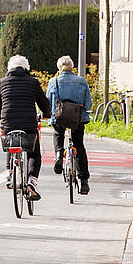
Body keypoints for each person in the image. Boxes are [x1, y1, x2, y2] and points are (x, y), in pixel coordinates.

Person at [0, 54, 51, 201]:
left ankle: (9, 174)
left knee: (10, 143)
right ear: (26, 68)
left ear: (9, 68)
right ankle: (32, 180)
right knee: (34, 153)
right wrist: (46, 114)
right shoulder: (33, 82)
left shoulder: (2, 82)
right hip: (28, 124)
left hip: (8, 124)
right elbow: (44, 103)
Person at [46, 55, 92, 194]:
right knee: (79, 146)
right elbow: (88, 104)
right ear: (72, 67)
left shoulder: (54, 81)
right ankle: (84, 181)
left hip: (59, 117)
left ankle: (59, 155)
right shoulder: (81, 81)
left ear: (59, 67)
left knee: (58, 134)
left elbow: (48, 103)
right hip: (78, 119)